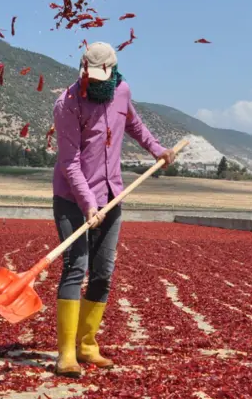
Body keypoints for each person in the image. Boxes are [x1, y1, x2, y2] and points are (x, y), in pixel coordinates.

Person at [51, 41, 176, 377]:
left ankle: (87, 345)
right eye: (89, 77)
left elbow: (133, 125)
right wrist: (89, 205)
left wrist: (157, 150)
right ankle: (65, 355)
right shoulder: (67, 104)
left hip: (112, 195)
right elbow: (70, 162)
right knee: (76, 267)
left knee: (103, 273)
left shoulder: (122, 91)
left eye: (100, 78)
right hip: (72, 199)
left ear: (113, 72)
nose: (94, 84)